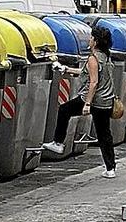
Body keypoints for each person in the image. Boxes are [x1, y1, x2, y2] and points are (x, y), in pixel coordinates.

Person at [43, 26, 117, 177]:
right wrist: (65, 69)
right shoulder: (106, 56)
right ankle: (110, 168)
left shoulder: (93, 58)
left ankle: (58, 143)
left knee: (64, 110)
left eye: (91, 38)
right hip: (106, 101)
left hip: (93, 100)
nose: (89, 40)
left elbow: (93, 82)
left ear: (95, 41)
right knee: (104, 134)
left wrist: (87, 104)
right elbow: (88, 73)